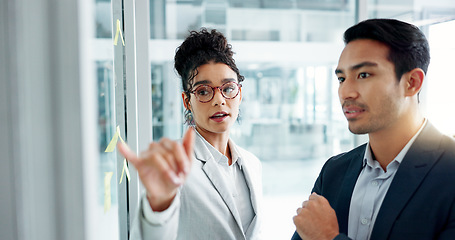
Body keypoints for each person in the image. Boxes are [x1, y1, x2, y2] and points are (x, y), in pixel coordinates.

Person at [292, 18, 455, 240]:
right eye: (341, 78)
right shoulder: (334, 171)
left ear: (412, 82)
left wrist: (329, 238)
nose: (346, 92)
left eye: (364, 75)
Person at [118, 28, 263, 240]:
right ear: (187, 101)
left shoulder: (252, 164)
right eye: (204, 91)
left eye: (228, 88)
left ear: (239, 93)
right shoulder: (176, 165)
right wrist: (159, 204)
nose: (219, 100)